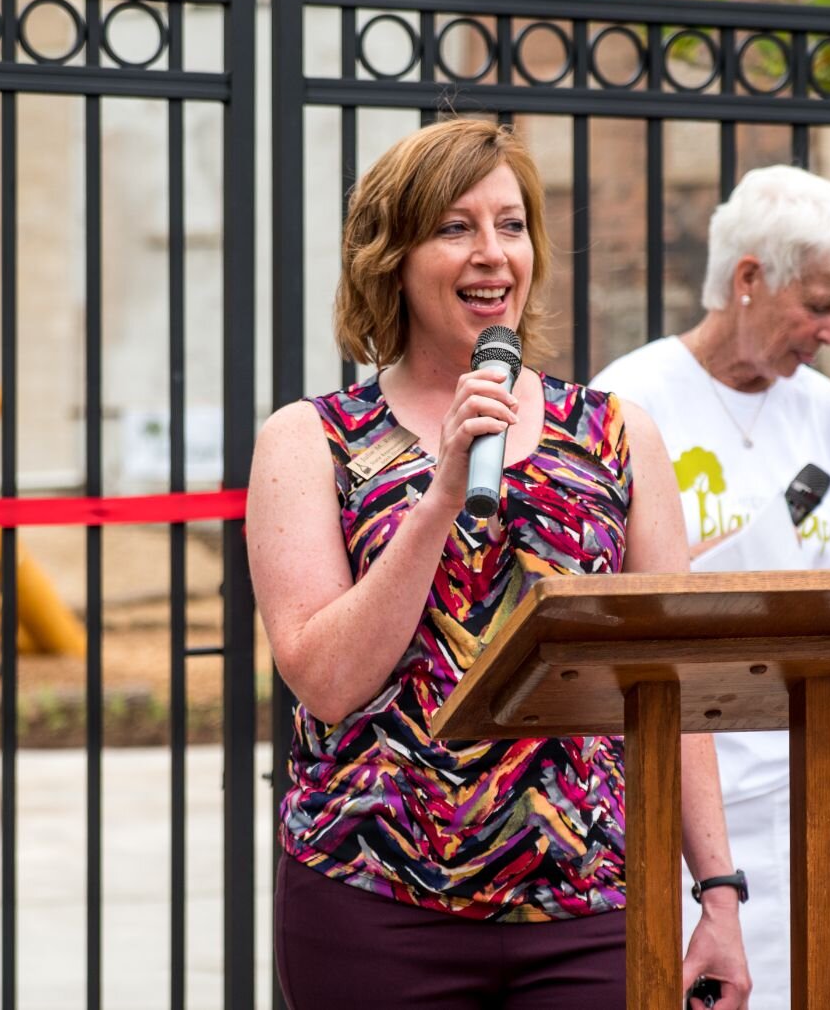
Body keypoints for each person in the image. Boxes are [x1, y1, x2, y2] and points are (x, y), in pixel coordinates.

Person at [247, 119, 752, 1010]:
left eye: (511, 226)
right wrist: (440, 494)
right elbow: (325, 682)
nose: (493, 255)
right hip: (374, 906)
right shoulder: (310, 441)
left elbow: (669, 681)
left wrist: (717, 892)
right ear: (391, 257)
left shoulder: (617, 436)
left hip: (589, 906)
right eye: (455, 227)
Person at [590, 164, 830, 1010]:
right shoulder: (630, 399)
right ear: (749, 280)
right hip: (682, 809)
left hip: (816, 798)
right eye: (820, 304)